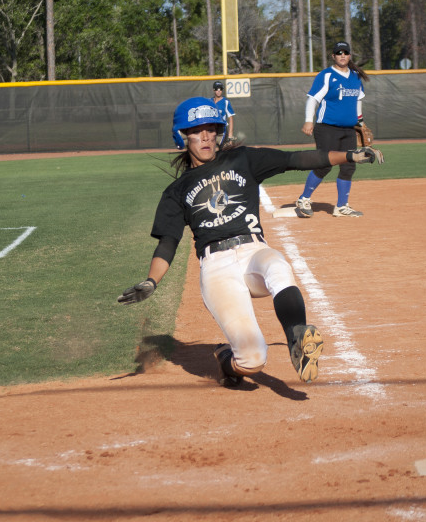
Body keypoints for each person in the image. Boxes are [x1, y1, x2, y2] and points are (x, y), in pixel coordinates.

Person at [117, 97, 382, 387]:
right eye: (196, 130)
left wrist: (349, 156)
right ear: (182, 136)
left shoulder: (242, 159)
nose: (205, 137)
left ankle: (297, 337)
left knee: (277, 264)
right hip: (217, 269)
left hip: (253, 251)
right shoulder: (177, 190)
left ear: (220, 132)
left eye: (211, 129)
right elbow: (167, 243)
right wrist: (151, 282)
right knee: (252, 360)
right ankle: (226, 361)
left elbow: (295, 159)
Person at [295, 40, 372, 218]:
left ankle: (341, 206)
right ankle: (304, 199)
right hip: (327, 128)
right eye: (339, 52)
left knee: (349, 165)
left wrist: (360, 122)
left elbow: (358, 100)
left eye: (345, 52)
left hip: (349, 129)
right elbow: (313, 99)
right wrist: (308, 120)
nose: (342, 55)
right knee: (324, 164)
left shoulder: (355, 76)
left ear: (350, 55)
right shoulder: (327, 75)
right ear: (333, 56)